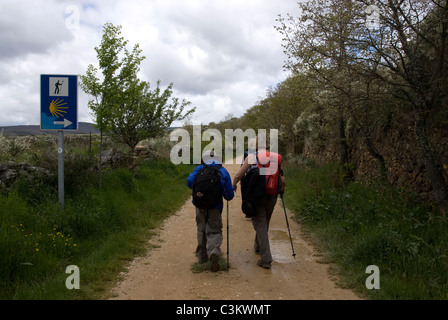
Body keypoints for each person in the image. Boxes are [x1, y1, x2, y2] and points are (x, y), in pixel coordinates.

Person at [232, 134, 285, 269]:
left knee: (260, 223)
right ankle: (258, 246)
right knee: (264, 221)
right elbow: (282, 179)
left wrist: (233, 184)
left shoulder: (252, 156)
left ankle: (266, 258)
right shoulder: (275, 157)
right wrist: (281, 190)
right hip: (272, 194)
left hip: (256, 195)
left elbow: (239, 174)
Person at [187, 150, 234, 272]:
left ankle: (202, 257)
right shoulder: (222, 171)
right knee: (214, 229)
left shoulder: (199, 169)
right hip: (215, 206)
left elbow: (189, 182)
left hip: (200, 205)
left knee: (201, 228)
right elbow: (229, 195)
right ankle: (213, 251)